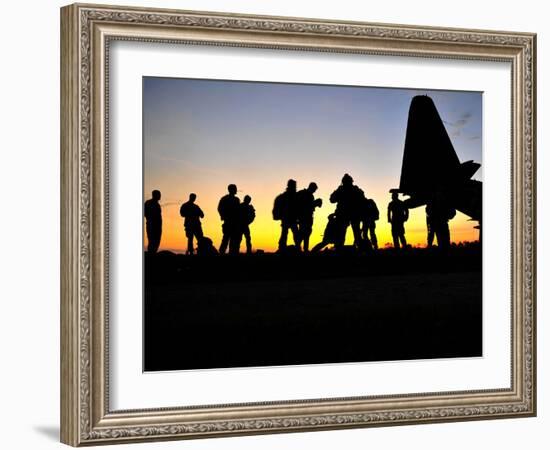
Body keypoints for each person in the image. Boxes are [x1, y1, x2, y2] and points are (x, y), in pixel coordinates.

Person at [329, 174, 364, 248]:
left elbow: (332, 199)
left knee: (342, 234)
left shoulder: (342, 189)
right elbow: (332, 200)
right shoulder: (355, 189)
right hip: (351, 215)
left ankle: (339, 249)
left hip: (346, 215)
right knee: (355, 234)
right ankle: (360, 248)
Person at [273, 179, 300, 251]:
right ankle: (284, 247)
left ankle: (285, 247)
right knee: (288, 234)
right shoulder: (289, 196)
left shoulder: (291, 196)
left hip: (289, 218)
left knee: (287, 233)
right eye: (294, 186)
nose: (295, 187)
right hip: (288, 218)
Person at [296, 182, 322, 252]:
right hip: (304, 218)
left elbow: (309, 206)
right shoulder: (305, 194)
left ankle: (304, 249)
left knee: (306, 233)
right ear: (312, 188)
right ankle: (299, 248)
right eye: (314, 190)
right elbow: (306, 206)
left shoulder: (308, 195)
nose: (314, 191)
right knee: (303, 234)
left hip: (307, 218)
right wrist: (315, 203)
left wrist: (315, 204)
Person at [217, 184, 240, 254]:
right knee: (226, 239)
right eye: (235, 189)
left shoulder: (235, 199)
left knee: (231, 239)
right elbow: (220, 208)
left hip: (233, 222)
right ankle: (222, 252)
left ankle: (229, 253)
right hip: (229, 222)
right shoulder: (228, 199)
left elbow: (238, 211)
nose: (236, 190)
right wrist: (223, 216)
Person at [144, 190, 162, 254]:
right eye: (159, 194)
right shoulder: (148, 203)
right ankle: (151, 255)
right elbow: (145, 213)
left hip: (158, 226)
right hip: (151, 225)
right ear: (154, 195)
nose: (160, 196)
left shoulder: (157, 204)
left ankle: (152, 254)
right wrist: (150, 219)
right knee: (152, 241)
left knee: (156, 241)